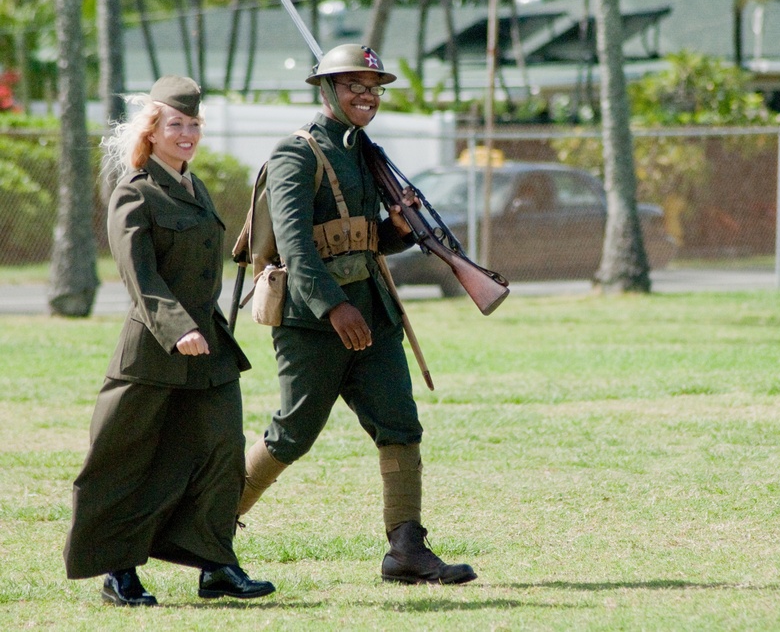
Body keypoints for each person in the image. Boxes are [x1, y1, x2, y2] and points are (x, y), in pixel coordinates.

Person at [237, 44, 477, 585]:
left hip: (374, 313)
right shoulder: (294, 155)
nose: (366, 96)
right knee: (293, 434)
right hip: (313, 321)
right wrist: (334, 307)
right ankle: (208, 526)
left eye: (373, 87)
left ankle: (407, 550)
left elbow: (365, 240)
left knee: (399, 425)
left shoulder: (363, 151)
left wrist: (399, 227)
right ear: (326, 90)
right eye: (353, 85)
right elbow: (295, 247)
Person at [63, 75, 275, 606]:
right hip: (156, 351)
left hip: (211, 351)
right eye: (176, 125)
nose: (187, 134)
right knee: (125, 459)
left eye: (194, 125)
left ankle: (216, 565)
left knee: (221, 454)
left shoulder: (193, 186)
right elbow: (138, 274)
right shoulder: (135, 190)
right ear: (152, 132)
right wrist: (177, 328)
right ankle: (118, 572)